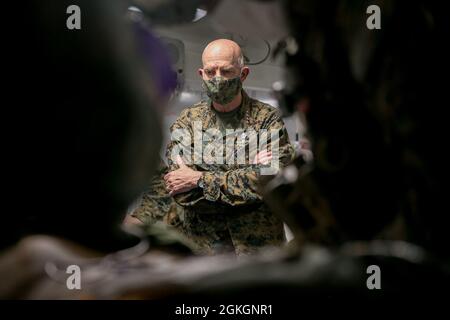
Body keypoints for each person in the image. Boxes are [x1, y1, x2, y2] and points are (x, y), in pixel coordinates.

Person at [164, 39, 295, 256]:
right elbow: (182, 193)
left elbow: (269, 181)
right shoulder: (187, 121)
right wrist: (247, 176)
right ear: (201, 74)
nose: (217, 78)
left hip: (258, 250)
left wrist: (198, 179)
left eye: (226, 71)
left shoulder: (267, 119)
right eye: (210, 71)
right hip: (204, 250)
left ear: (243, 74)